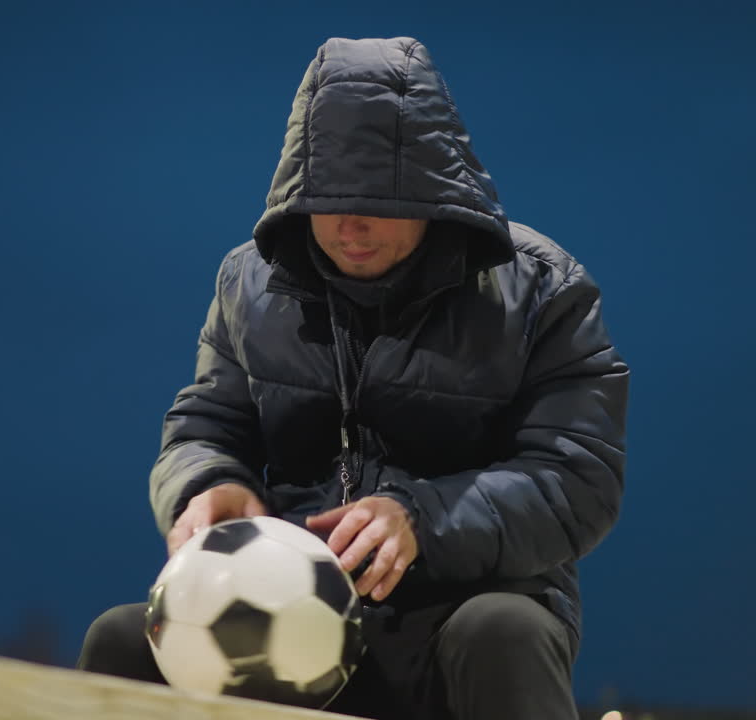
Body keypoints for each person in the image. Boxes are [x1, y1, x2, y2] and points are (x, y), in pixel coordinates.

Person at [77, 36, 629, 720]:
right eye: (328, 199)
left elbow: (580, 479)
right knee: (120, 640)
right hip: (281, 606)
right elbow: (203, 428)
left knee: (505, 631)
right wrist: (207, 484)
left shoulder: (543, 289)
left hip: (462, 608)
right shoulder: (248, 282)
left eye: (377, 199)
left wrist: (421, 520)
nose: (350, 225)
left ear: (434, 192)